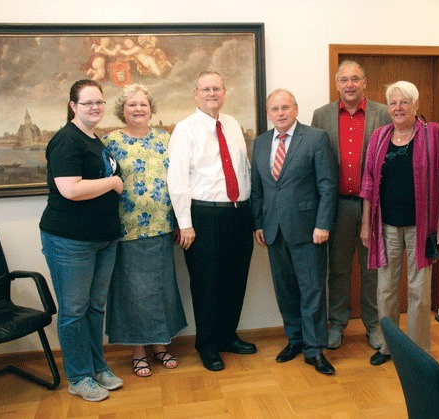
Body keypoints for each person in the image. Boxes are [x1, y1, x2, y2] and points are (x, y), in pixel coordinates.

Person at [359, 81, 439, 366]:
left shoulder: (432, 134)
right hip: (386, 226)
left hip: (421, 227)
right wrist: (367, 224)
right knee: (385, 288)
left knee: (418, 291)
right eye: (393, 103)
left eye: (404, 102)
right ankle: (389, 347)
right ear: (387, 108)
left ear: (415, 105)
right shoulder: (379, 137)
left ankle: (418, 352)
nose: (398, 108)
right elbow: (368, 184)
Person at [39, 79, 124, 402]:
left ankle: (97, 367)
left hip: (103, 238)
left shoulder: (93, 139)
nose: (95, 108)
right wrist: (113, 181)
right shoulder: (66, 140)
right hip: (70, 241)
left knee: (94, 307)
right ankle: (78, 376)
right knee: (74, 311)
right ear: (73, 106)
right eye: (88, 103)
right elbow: (70, 189)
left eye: (99, 102)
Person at [167, 71, 256, 372]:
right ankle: (207, 345)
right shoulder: (185, 129)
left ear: (225, 92)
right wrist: (185, 223)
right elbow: (177, 180)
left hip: (238, 212)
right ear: (196, 94)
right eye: (205, 89)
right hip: (203, 216)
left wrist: (251, 211)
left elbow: (243, 168)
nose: (211, 93)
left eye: (216, 88)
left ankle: (227, 337)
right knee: (207, 283)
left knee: (235, 279)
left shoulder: (231, 124)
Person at [102, 84, 187, 377]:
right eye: (132, 105)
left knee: (162, 289)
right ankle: (138, 351)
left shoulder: (165, 139)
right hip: (127, 230)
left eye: (143, 104)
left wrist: (179, 220)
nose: (138, 109)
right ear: (122, 110)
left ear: (151, 108)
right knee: (133, 293)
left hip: (162, 227)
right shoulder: (111, 141)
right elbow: (103, 183)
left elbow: (177, 182)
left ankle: (161, 346)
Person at [251, 89, 338, 375]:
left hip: (308, 230)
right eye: (274, 109)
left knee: (311, 290)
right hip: (273, 230)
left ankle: (315, 350)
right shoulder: (261, 143)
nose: (280, 113)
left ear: (296, 109)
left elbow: (327, 185)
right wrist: (258, 224)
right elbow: (258, 189)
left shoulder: (315, 138)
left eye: (285, 107)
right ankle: (295, 340)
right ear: (269, 113)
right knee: (286, 291)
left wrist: (323, 224)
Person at [311, 60, 392, 350]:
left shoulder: (383, 113)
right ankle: (338, 324)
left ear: (364, 83)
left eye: (355, 79)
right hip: (338, 206)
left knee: (372, 270)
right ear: (336, 85)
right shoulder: (321, 116)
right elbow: (315, 161)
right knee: (339, 269)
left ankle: (374, 325)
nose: (349, 85)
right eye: (344, 80)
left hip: (374, 206)